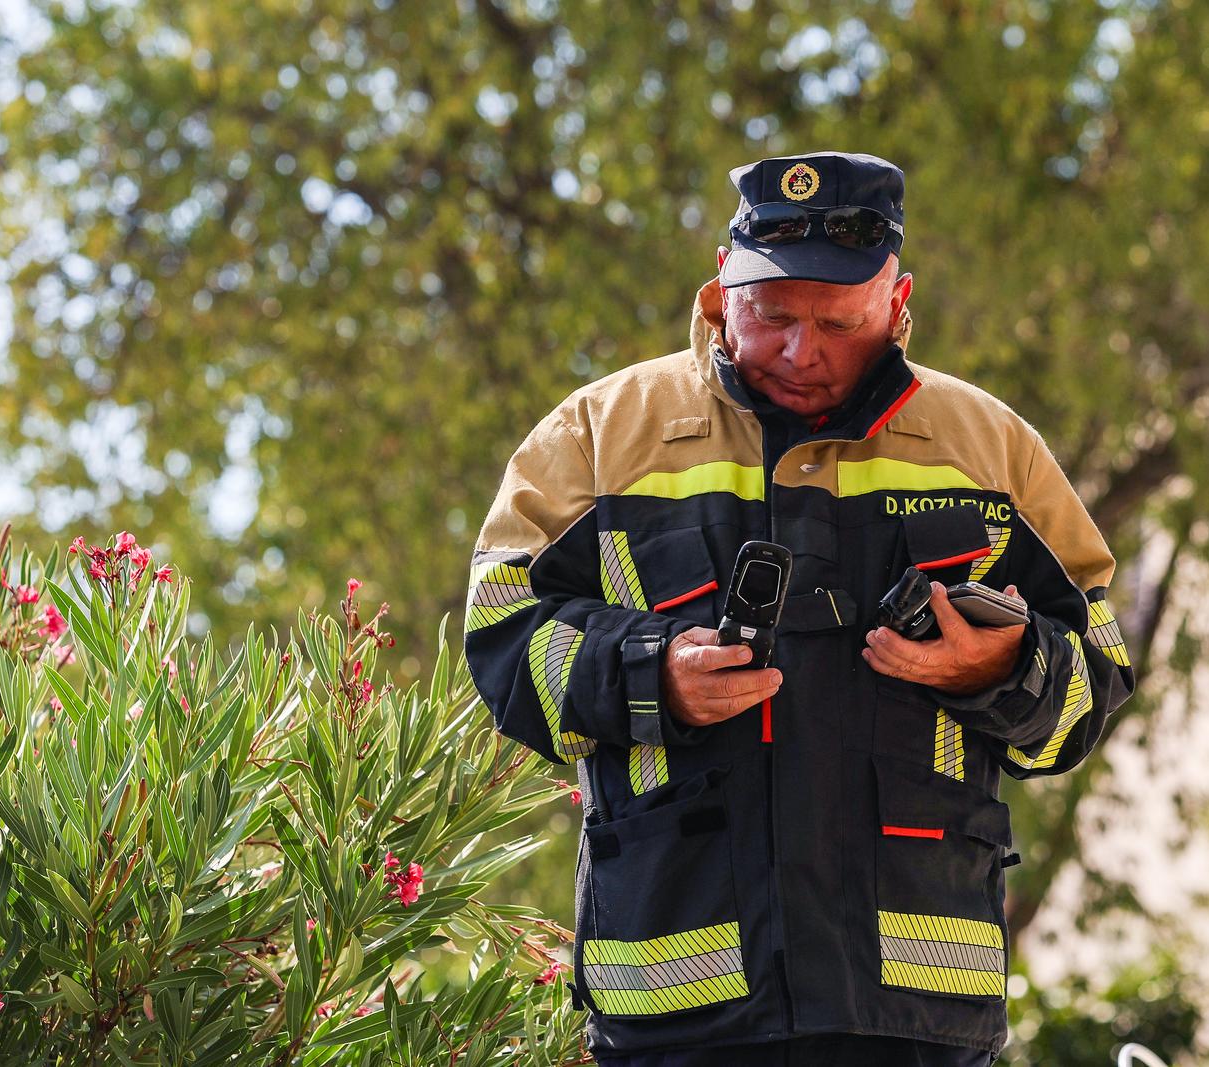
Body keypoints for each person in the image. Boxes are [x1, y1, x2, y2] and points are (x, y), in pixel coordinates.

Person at [465, 151, 1136, 1066]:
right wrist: (649, 672)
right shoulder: (596, 437)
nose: (800, 349)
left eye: (839, 321)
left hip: (912, 1013)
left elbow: (1097, 670)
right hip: (675, 1007)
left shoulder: (991, 449)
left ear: (898, 307)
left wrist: (1004, 668)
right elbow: (501, 635)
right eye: (770, 315)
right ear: (719, 295)